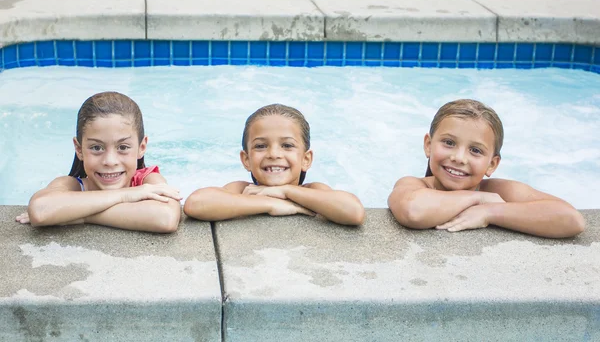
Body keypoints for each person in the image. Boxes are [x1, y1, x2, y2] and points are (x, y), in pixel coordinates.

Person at [387, 99, 585, 238]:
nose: (458, 158)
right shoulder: (413, 185)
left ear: (492, 164)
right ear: (428, 145)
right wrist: (477, 198)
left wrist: (490, 212)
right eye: (448, 142)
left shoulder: (498, 192)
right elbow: (413, 211)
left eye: (475, 150)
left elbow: (571, 219)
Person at [16, 91, 182, 233]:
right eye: (96, 148)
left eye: (123, 147)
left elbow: (166, 218)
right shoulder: (72, 185)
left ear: (141, 147)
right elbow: (40, 210)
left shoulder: (147, 180)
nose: (110, 161)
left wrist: (80, 214)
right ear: (79, 149)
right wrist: (125, 195)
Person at [184, 103, 365, 225]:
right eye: (261, 146)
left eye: (287, 145)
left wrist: (286, 191)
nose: (274, 154)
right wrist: (270, 204)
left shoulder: (314, 191)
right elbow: (196, 203)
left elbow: (354, 212)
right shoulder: (242, 190)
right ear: (246, 160)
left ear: (306, 159)